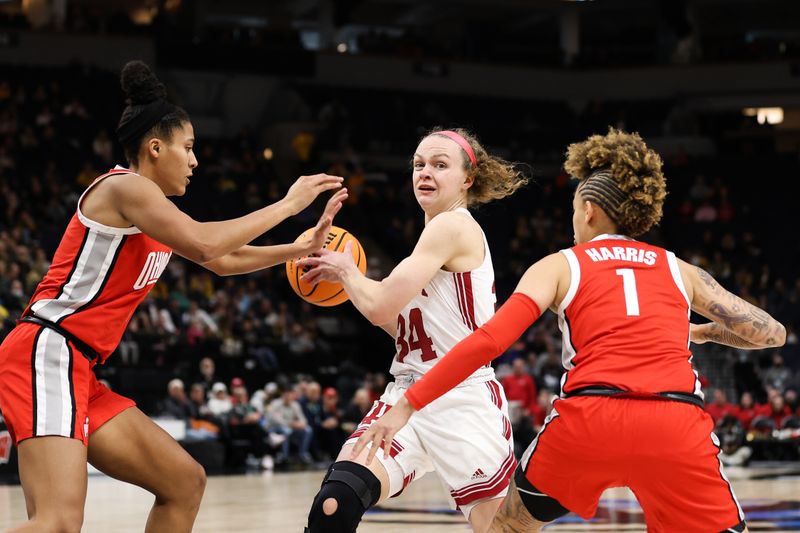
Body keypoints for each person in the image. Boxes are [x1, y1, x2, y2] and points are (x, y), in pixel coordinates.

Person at [353, 128, 786, 533]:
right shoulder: (680, 269)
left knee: (506, 528)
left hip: (588, 423)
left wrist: (409, 403)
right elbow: (770, 334)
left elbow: (487, 341)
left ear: (588, 209)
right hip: (674, 424)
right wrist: (705, 333)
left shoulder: (560, 264)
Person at [0, 60, 346, 533]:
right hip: (46, 352)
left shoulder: (153, 213)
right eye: (188, 148)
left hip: (79, 368)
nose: (195, 160)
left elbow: (221, 260)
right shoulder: (126, 187)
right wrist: (288, 205)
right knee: (58, 522)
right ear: (155, 147)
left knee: (184, 482)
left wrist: (299, 248)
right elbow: (206, 243)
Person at [298, 128, 528, 533]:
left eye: (440, 165)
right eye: (419, 164)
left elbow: (380, 304)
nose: (425, 172)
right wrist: (347, 285)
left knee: (502, 530)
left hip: (462, 397)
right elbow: (401, 327)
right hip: (409, 391)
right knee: (337, 502)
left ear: (467, 180)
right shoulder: (430, 238)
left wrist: (348, 272)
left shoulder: (451, 227)